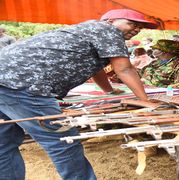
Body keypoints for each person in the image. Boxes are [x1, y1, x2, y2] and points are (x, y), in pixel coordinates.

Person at [0, 8, 157, 180]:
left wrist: (109, 91)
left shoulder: (90, 30)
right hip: (22, 84)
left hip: (6, 78)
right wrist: (145, 100)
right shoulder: (108, 30)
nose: (136, 29)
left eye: (140, 28)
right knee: (62, 140)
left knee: (4, 142)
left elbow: (96, 69)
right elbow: (124, 68)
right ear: (111, 21)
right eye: (132, 24)